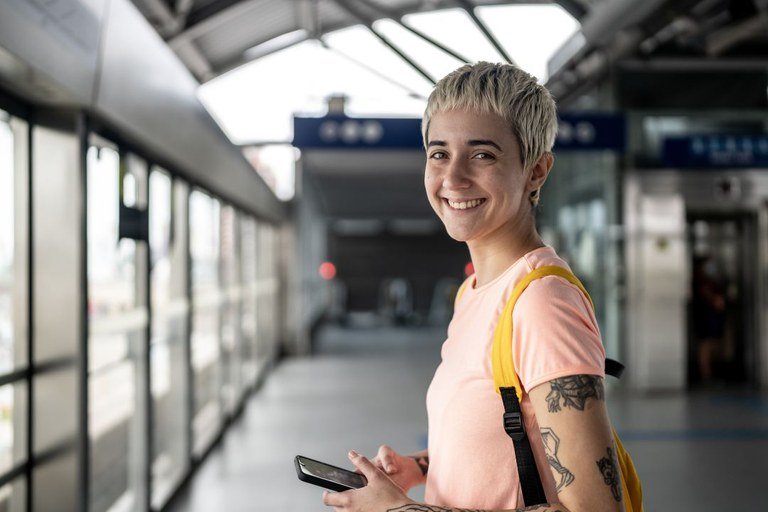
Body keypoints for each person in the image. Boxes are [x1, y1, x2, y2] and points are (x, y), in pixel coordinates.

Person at [322, 62, 625, 512]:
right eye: (439, 153)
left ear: (536, 171)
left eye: (482, 155)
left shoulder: (541, 302)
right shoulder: (476, 292)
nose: (453, 178)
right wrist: (423, 467)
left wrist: (397, 509)